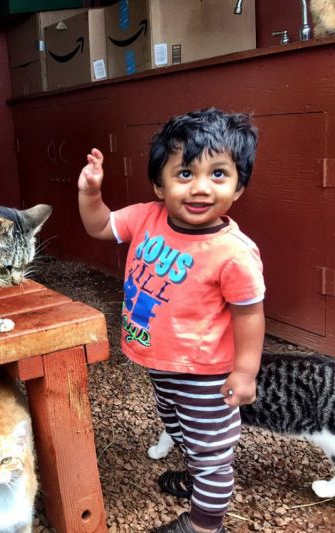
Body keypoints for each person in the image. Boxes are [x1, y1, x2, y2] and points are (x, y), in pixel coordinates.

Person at [77, 108, 265, 533]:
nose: (200, 188)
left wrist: (246, 370)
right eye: (184, 174)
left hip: (206, 373)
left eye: (218, 174)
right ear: (159, 184)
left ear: (239, 187)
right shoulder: (147, 217)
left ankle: (204, 522)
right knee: (178, 427)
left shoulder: (233, 252)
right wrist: (90, 193)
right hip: (162, 364)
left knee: (212, 450)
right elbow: (99, 226)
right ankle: (195, 477)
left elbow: (249, 312)